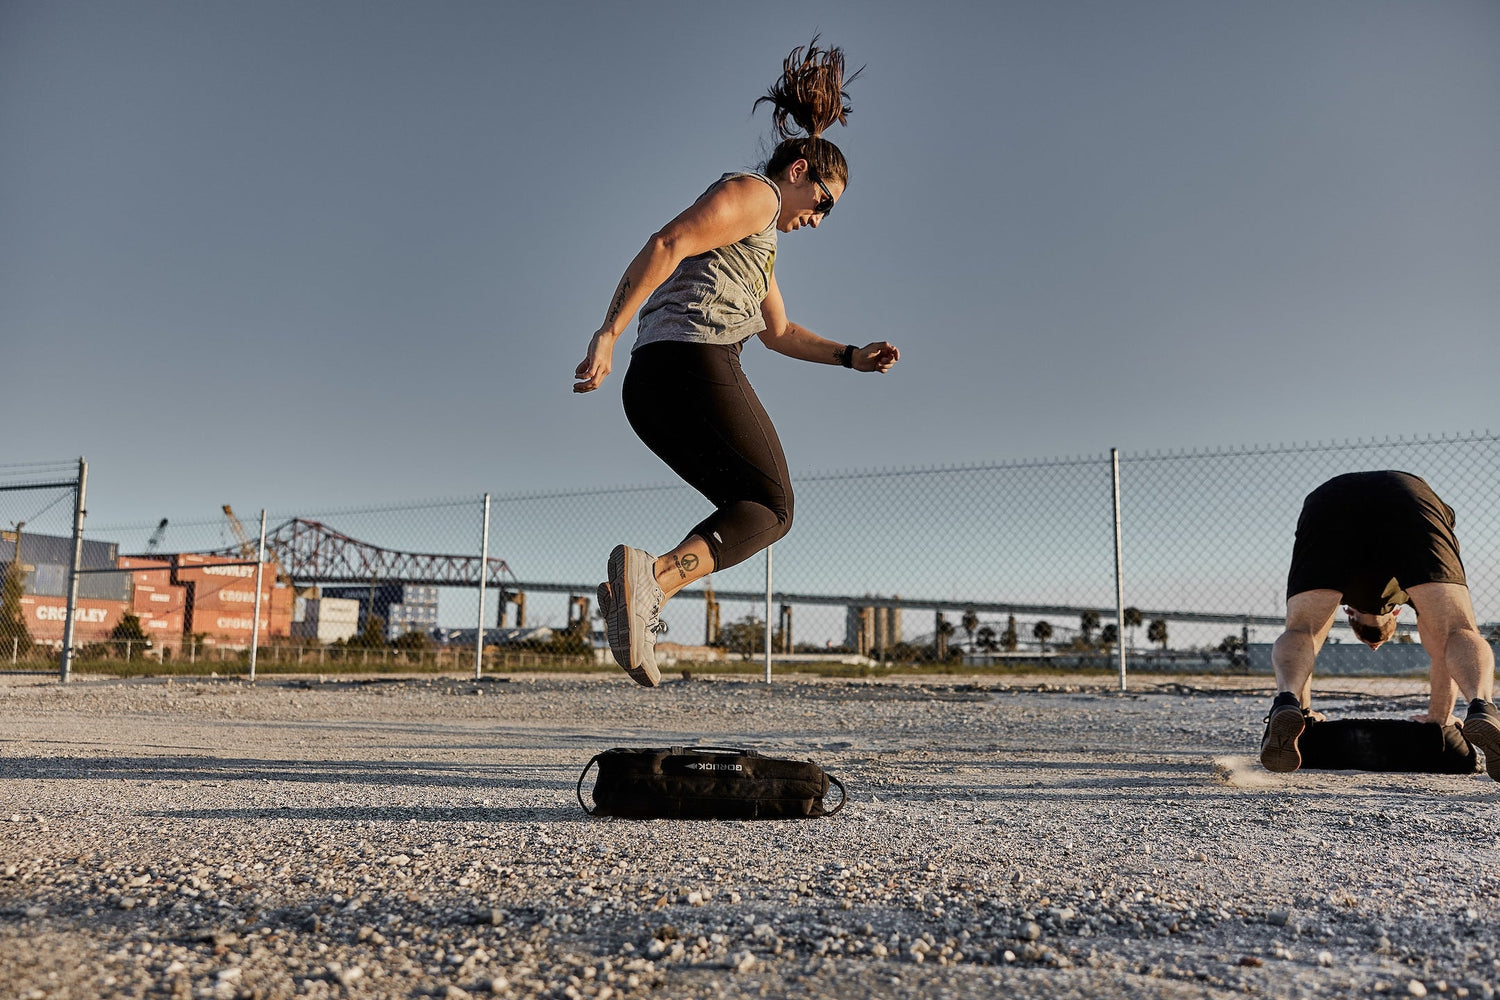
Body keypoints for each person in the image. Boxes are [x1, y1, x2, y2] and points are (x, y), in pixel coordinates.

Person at [572, 38, 899, 686]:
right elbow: (667, 241)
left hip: (655, 386)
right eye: (825, 203)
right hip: (692, 363)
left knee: (751, 509)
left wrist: (851, 358)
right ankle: (652, 582)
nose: (820, 219)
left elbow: (779, 332)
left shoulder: (762, 242)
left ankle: (638, 592)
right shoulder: (757, 196)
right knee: (774, 506)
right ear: (800, 170)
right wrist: (606, 331)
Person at [1259, 470, 1500, 778]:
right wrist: (1439, 718)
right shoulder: (1407, 596)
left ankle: (1288, 701)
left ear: (1348, 612)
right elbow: (1442, 654)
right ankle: (1482, 706)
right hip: (1408, 496)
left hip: (1329, 502)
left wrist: (1304, 713)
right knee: (1455, 629)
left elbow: (1307, 637)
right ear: (1396, 612)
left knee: (1302, 629)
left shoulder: (1347, 595)